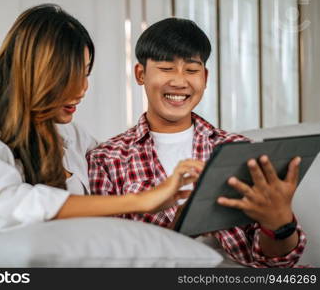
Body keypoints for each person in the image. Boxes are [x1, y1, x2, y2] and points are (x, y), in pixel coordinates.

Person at [0, 4, 204, 252]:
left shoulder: (74, 137)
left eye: (86, 73)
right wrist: (143, 200)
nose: (81, 89)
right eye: (69, 75)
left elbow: (115, 192)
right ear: (34, 72)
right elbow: (9, 207)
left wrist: (180, 211)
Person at [87, 18, 306, 267]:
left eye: (191, 70)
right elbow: (107, 257)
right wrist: (177, 230)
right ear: (140, 74)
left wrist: (279, 224)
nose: (180, 82)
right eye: (166, 68)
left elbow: (278, 263)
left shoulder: (239, 149)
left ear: (205, 76)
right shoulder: (106, 159)